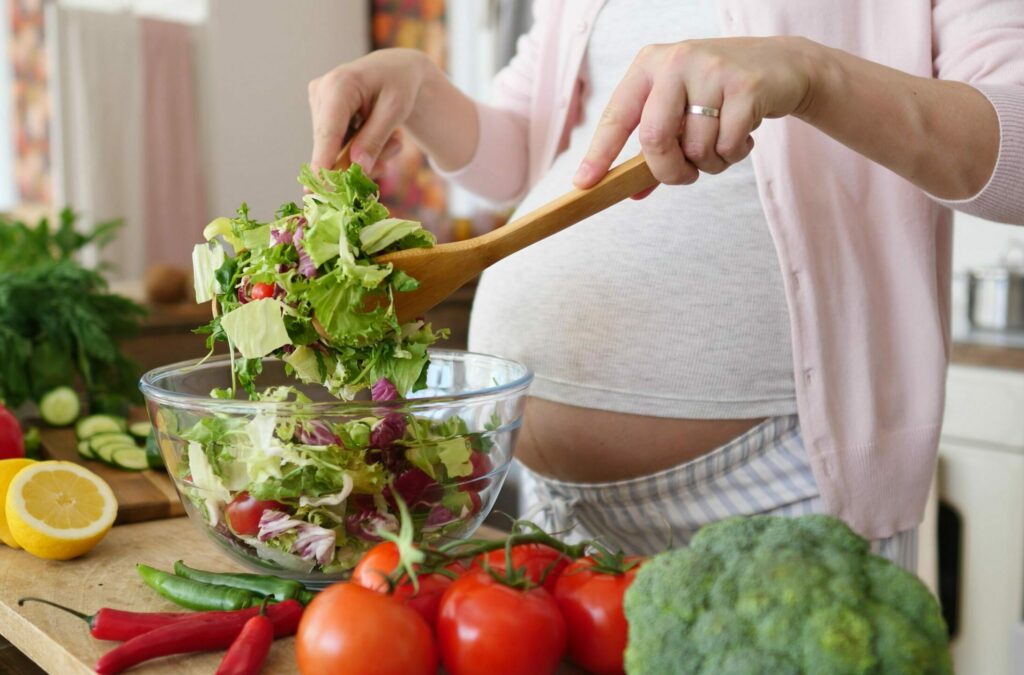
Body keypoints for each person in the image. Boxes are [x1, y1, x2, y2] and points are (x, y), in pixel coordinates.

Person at [308, 0, 1024, 569]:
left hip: (782, 492)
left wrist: (813, 75)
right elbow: (522, 154)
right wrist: (421, 86)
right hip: (552, 510)